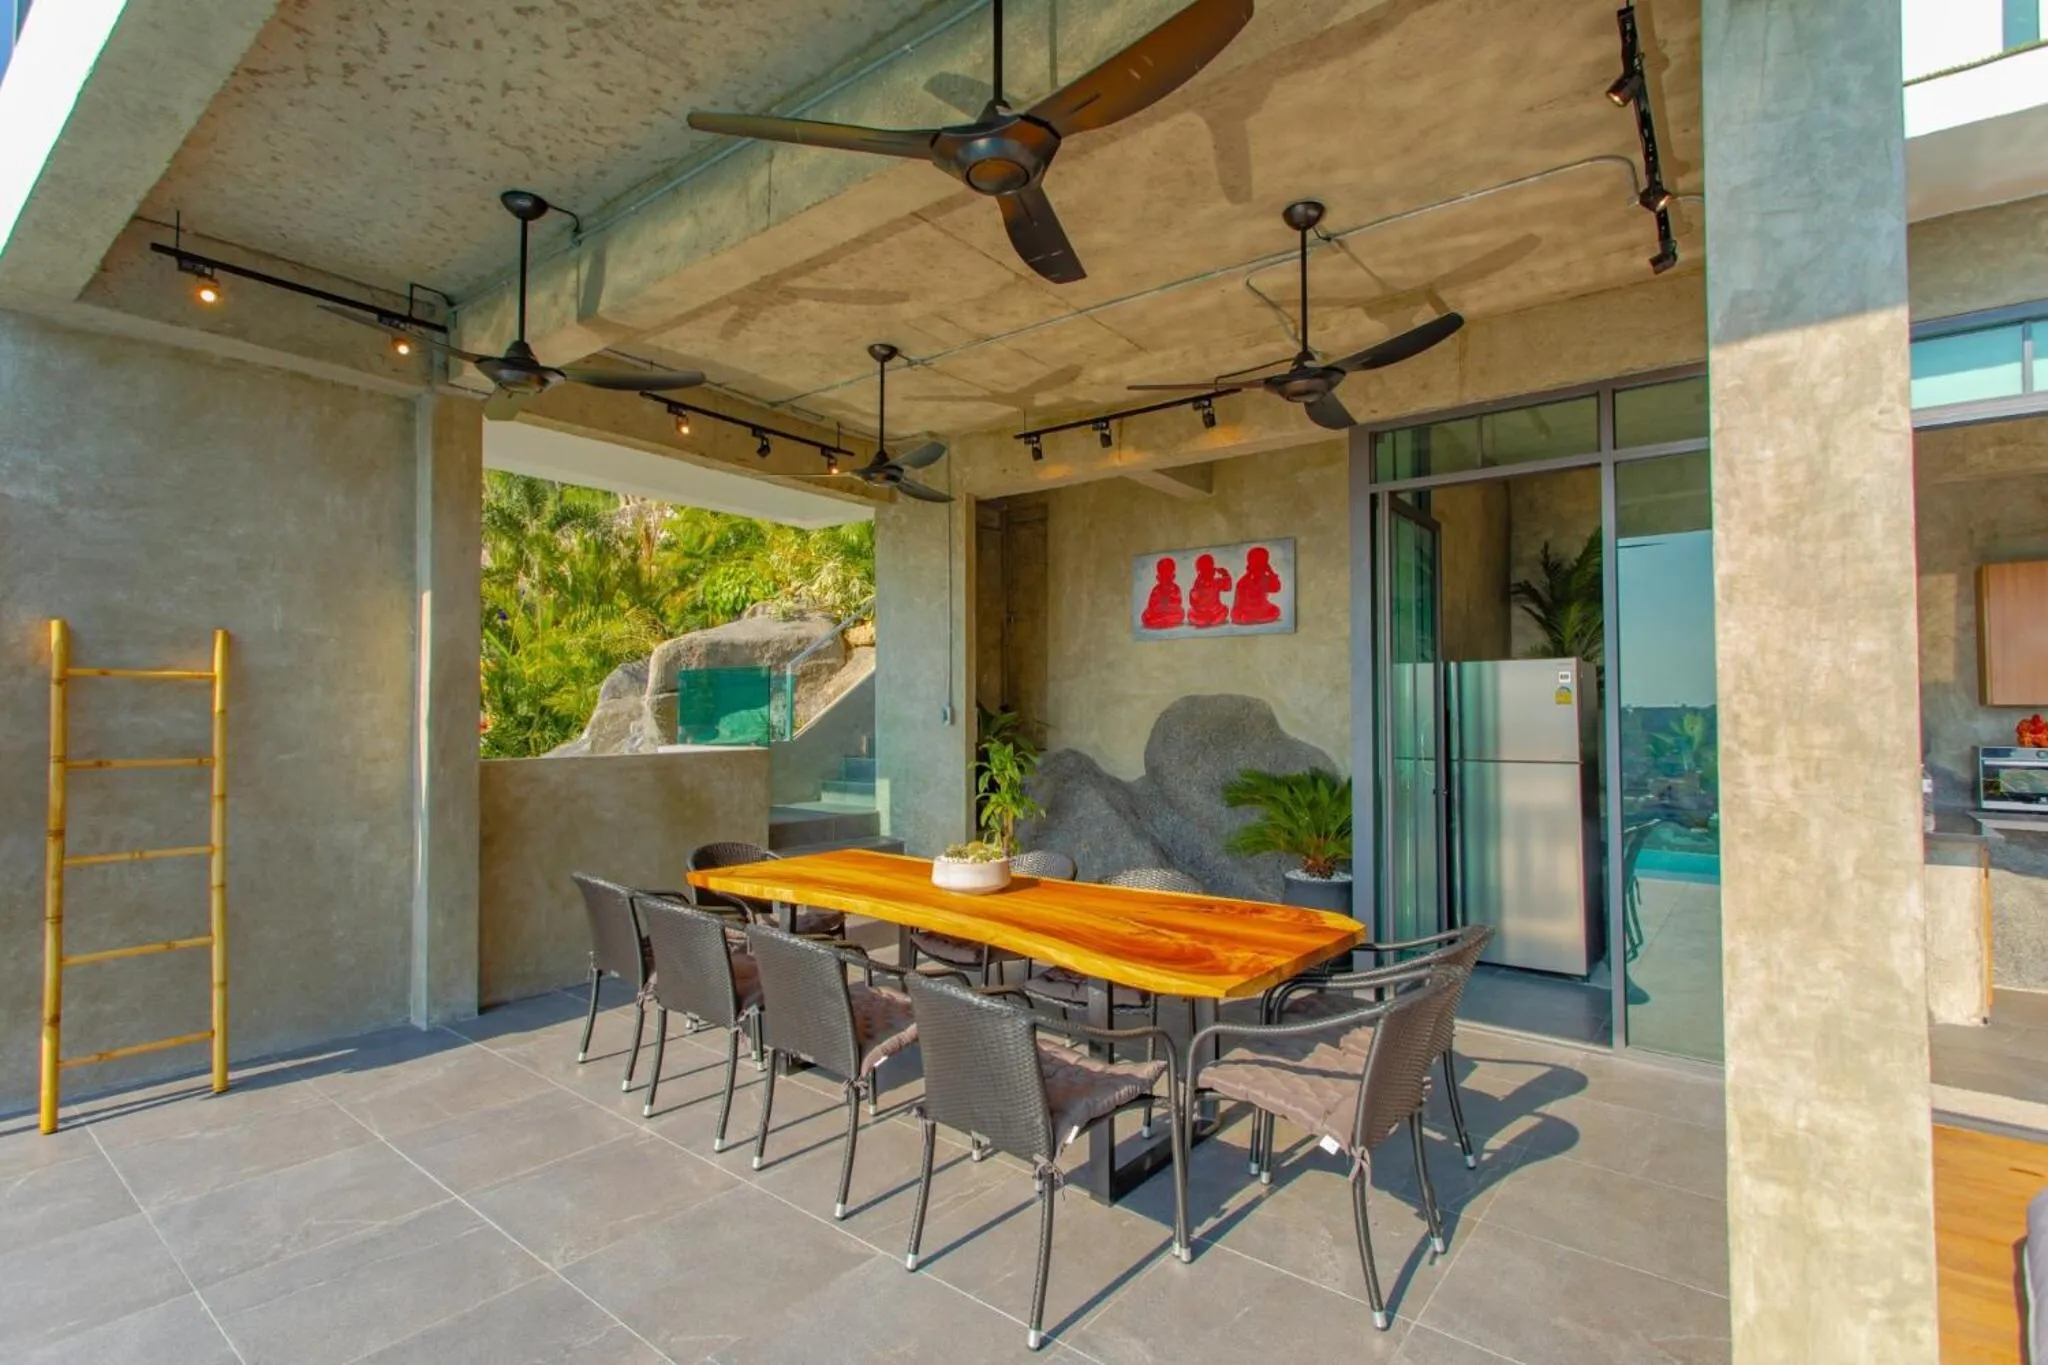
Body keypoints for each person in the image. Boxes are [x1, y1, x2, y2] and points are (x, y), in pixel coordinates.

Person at [1230, 545, 1284, 626]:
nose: (1261, 568)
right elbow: (1239, 603)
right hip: (1247, 610)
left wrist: (1271, 573)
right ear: (1250, 564)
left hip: (1262, 609)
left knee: (1275, 610)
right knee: (1238, 615)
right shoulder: (1243, 581)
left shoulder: (1265, 579)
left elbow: (1276, 588)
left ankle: (1253, 618)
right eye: (1257, 564)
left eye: (1263, 564)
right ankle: (1252, 618)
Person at [1188, 553, 1232, 629]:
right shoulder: (1199, 585)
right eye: (1204, 571)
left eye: (1210, 569)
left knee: (1224, 610)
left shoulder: (1216, 582)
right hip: (1205, 613)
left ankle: (1207, 620)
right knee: (1191, 614)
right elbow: (1194, 602)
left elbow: (1227, 588)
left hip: (1213, 612)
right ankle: (1208, 620)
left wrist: (1225, 574)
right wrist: (1225, 574)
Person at [1140, 556, 1185, 630]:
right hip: (1158, 614)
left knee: (1181, 613)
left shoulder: (1175, 589)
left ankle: (1164, 621)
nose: (1165, 580)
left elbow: (1178, 603)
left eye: (1168, 577)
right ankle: (1163, 621)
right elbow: (1151, 605)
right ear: (1158, 577)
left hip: (1171, 614)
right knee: (1146, 615)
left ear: (1173, 576)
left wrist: (1168, 605)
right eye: (1163, 576)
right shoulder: (1156, 590)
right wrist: (1158, 607)